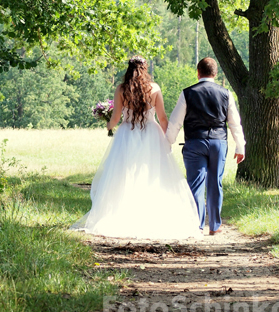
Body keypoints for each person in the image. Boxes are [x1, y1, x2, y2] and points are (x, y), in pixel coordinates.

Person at [71, 56, 200, 240]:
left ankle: (123, 212)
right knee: (152, 173)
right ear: (145, 69)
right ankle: (149, 215)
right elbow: (163, 118)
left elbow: (116, 118)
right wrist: (168, 139)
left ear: (128, 69)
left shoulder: (121, 89)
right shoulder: (154, 89)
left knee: (123, 173)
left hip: (127, 133)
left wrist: (108, 125)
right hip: (151, 134)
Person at [165, 57, 245, 235]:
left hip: (194, 141)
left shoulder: (187, 93)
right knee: (215, 182)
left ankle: (197, 224)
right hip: (218, 142)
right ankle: (215, 225)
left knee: (195, 183)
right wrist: (240, 147)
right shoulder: (226, 94)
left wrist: (168, 142)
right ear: (215, 74)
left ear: (198, 72)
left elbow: (175, 121)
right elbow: (234, 123)